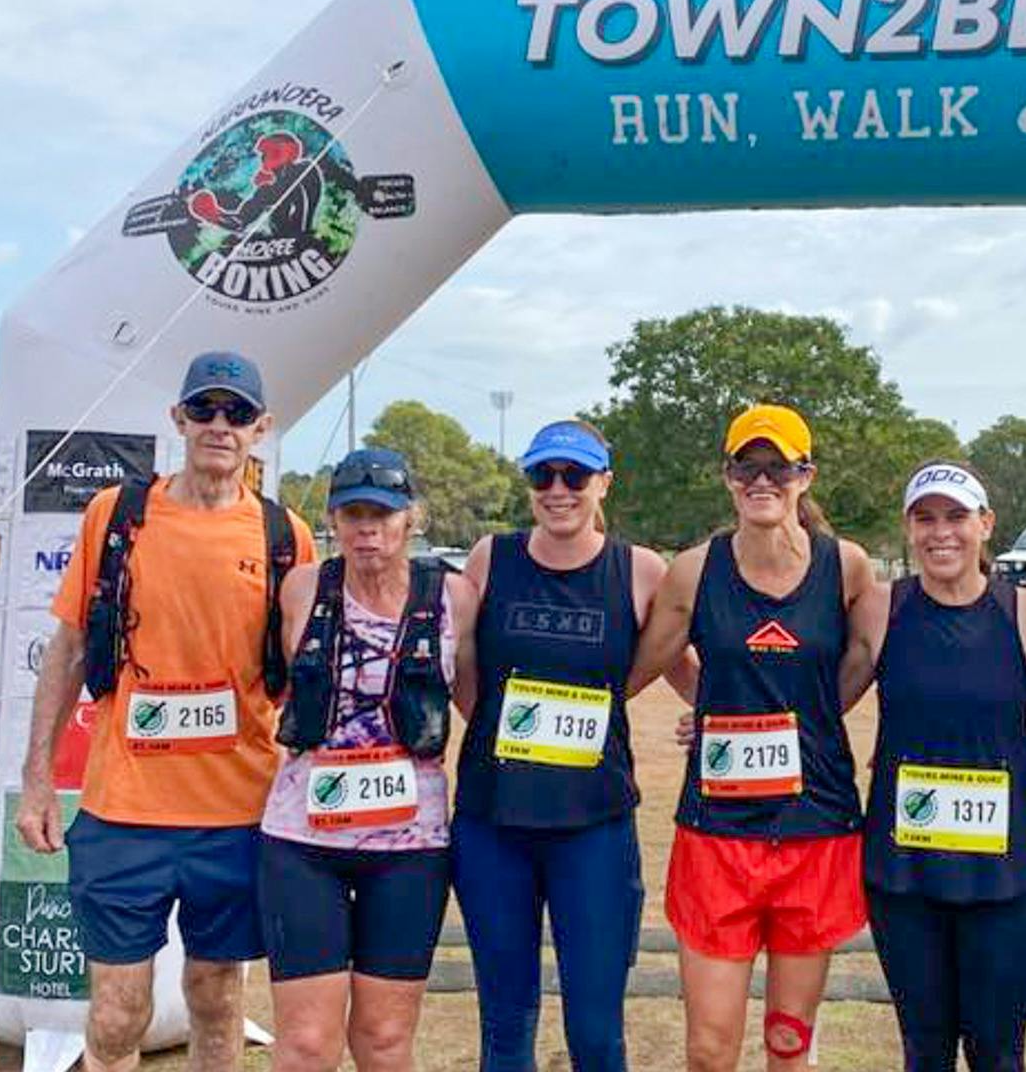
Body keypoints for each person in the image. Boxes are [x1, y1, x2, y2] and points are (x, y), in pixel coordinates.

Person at [16, 350, 317, 1072]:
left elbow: (307, 676)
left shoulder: (286, 537)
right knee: (119, 1013)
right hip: (126, 813)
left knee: (217, 1000)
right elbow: (66, 650)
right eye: (205, 410)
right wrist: (35, 781)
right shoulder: (116, 516)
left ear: (261, 428)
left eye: (237, 413)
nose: (220, 425)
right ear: (177, 419)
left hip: (236, 814)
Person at [632, 403, 877, 1072]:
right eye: (748, 467)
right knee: (710, 1049)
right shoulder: (694, 570)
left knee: (788, 1041)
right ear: (728, 476)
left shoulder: (848, 568)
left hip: (815, 828)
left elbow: (864, 664)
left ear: (806, 475)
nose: (762, 480)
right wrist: (711, 708)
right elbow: (640, 667)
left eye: (779, 467)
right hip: (718, 832)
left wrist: (806, 724)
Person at [453, 419, 671, 1072]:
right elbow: (465, 677)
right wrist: (512, 735)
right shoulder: (492, 557)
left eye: (574, 476)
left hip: (593, 828)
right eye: (542, 476)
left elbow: (695, 669)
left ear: (604, 482)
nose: (558, 490)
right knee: (506, 1024)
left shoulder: (640, 571)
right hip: (495, 823)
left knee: (596, 1030)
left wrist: (717, 724)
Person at [837, 459, 1026, 1072]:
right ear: (909, 529)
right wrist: (714, 719)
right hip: (904, 875)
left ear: (986, 524)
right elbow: (818, 705)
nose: (942, 532)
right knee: (925, 1052)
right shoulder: (880, 610)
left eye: (957, 517)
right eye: (926, 518)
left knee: (997, 1053)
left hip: (1002, 880)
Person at [258, 448, 478, 1072]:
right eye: (353, 513)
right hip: (303, 842)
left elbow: (478, 705)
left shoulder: (453, 598)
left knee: (383, 1040)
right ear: (333, 518)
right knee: (305, 1044)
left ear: (411, 519)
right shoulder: (303, 588)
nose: (368, 529)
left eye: (382, 514)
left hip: (409, 849)